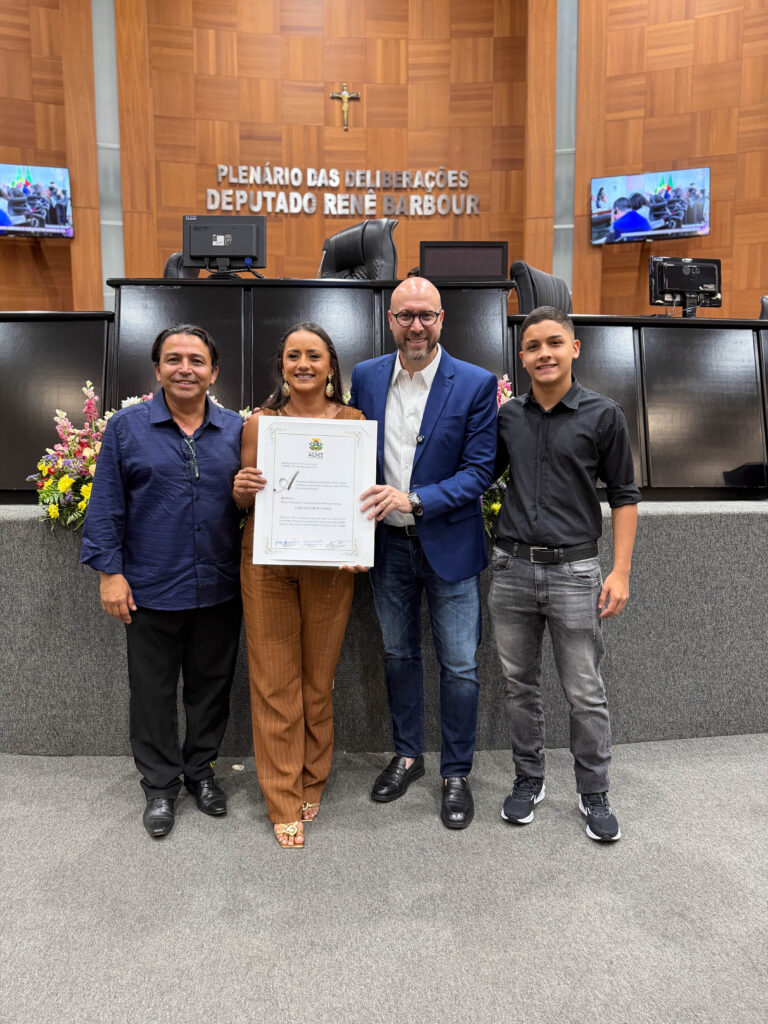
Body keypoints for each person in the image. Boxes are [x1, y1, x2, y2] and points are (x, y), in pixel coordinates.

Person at [80, 324, 244, 838]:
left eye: (196, 360)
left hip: (219, 586)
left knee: (211, 689)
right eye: (174, 359)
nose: (185, 369)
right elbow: (107, 505)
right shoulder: (126, 428)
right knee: (151, 694)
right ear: (157, 369)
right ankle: (159, 786)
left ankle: (201, 772)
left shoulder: (237, 430)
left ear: (213, 372)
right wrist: (110, 574)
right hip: (150, 587)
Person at [487, 306, 640, 843]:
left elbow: (624, 496)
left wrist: (620, 572)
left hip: (576, 571)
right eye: (533, 346)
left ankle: (593, 790)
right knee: (518, 686)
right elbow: (480, 474)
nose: (544, 353)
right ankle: (529, 780)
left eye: (554, 343)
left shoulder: (604, 414)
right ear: (522, 357)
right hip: (511, 569)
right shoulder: (508, 417)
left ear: (574, 349)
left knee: (585, 691)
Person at [349, 277, 497, 829]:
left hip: (450, 547)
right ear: (390, 320)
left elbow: (479, 472)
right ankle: (408, 755)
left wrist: (415, 499)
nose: (416, 326)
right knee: (398, 655)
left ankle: (456, 772)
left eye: (426, 316)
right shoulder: (366, 377)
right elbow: (350, 455)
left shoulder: (475, 383)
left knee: (459, 665)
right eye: (405, 315)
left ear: (441, 319)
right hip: (386, 545)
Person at [233, 322, 366, 849]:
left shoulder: (354, 422)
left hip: (332, 566)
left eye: (314, 355)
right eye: (293, 356)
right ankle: (283, 797)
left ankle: (314, 776)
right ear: (282, 366)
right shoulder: (261, 424)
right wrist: (241, 488)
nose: (303, 364)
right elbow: (246, 497)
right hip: (268, 563)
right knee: (274, 682)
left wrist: (358, 545)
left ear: (331, 366)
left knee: (317, 682)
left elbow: (361, 497)